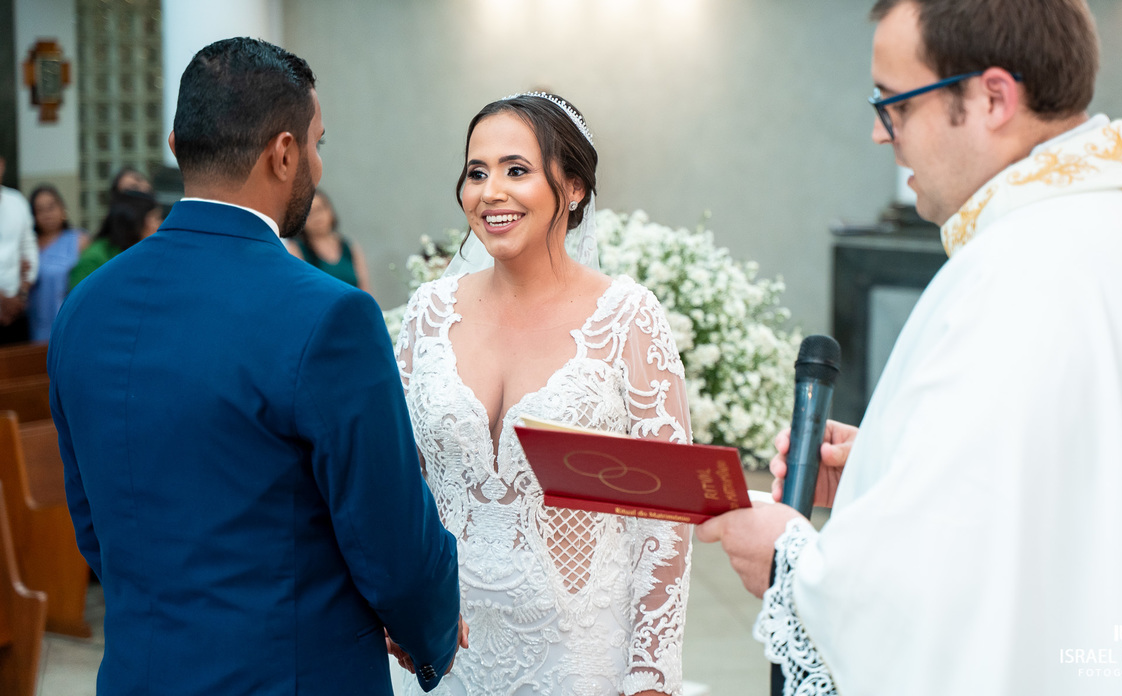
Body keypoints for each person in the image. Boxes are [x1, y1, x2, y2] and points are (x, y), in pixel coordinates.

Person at [697, 0, 1122, 696]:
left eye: (893, 104)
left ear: (993, 97)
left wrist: (790, 562)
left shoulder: (1026, 269)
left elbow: (928, 611)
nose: (879, 132)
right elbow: (1071, 481)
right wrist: (888, 468)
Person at [49, 37, 462, 696]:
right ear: (284, 152)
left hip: (137, 675)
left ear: (177, 143)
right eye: (319, 144)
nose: (319, 168)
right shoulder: (328, 317)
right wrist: (432, 632)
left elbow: (94, 525)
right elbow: (393, 547)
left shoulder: (84, 307)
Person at [393, 92, 692, 696]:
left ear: (574, 187)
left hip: (579, 657)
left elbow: (667, 515)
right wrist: (397, 603)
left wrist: (650, 676)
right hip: (446, 658)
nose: (490, 192)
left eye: (516, 170)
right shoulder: (428, 313)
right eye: (477, 173)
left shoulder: (627, 318)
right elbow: (399, 482)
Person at [27, 184, 90, 341]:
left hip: (71, 322)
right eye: (40, 210)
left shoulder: (80, 240)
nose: (47, 214)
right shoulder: (29, 246)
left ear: (63, 209)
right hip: (38, 326)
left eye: (51, 207)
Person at [66, 188, 162, 290]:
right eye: (156, 218)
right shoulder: (94, 260)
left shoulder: (143, 253)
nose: (161, 224)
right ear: (136, 220)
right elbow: (80, 303)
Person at [287, 189, 371, 291]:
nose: (316, 217)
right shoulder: (296, 249)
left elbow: (365, 288)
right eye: (309, 213)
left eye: (319, 209)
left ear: (330, 210)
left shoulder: (349, 246)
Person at [0, 155, 39, 345]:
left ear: (2, 164)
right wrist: (2, 301)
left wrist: (21, 294)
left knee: (19, 366)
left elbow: (29, 246)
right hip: (7, 302)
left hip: (17, 306)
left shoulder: (16, 201)